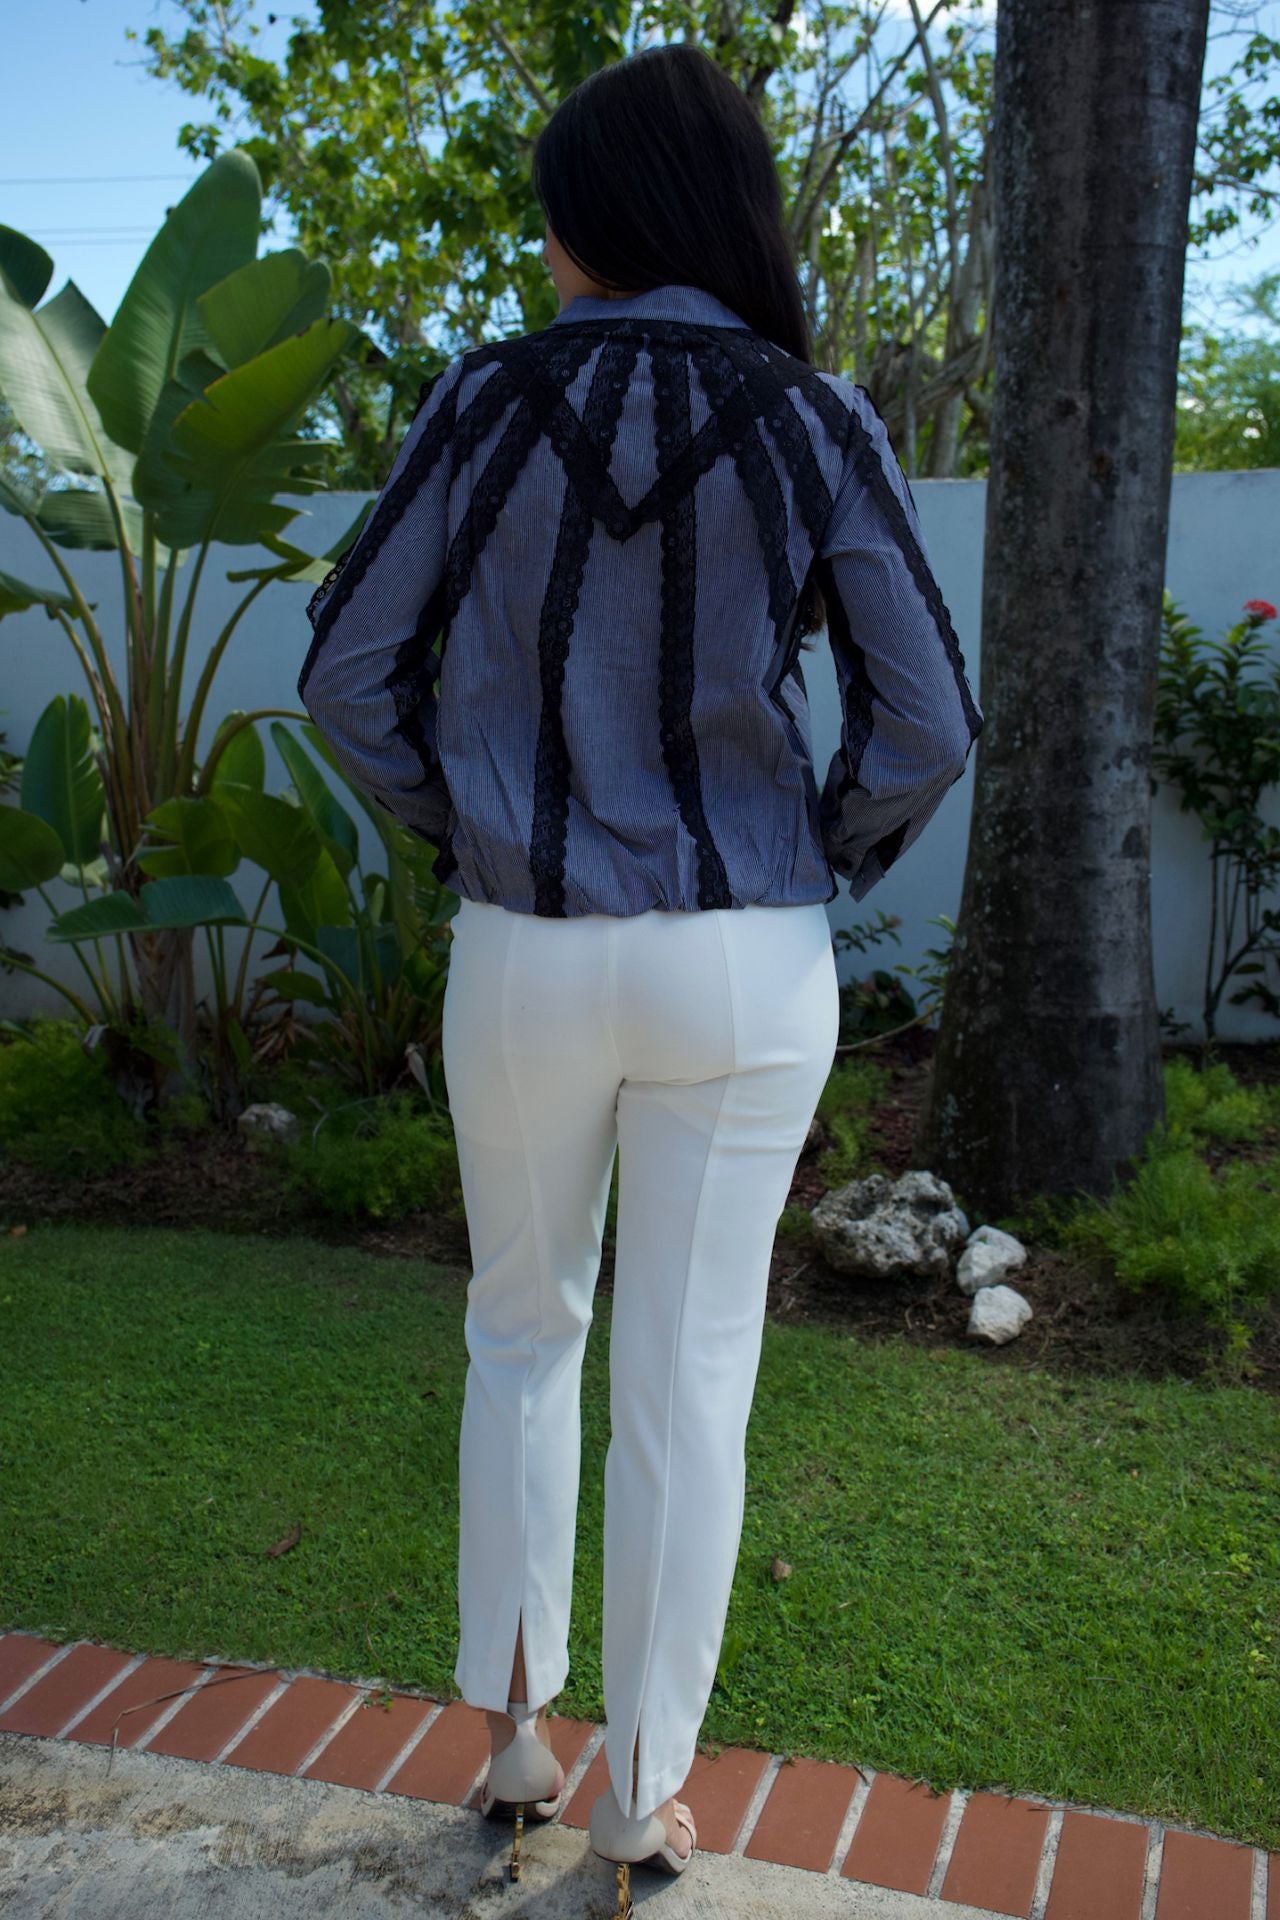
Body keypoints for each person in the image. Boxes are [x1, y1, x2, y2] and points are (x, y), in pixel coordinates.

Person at [297, 39, 983, 1913]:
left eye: (548, 214)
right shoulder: (815, 416)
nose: (536, 250)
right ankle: (640, 1798)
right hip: (743, 966)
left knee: (522, 1334)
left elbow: (346, 670)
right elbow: (926, 723)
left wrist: (470, 830)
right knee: (692, 1379)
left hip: (523, 955)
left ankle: (513, 1741)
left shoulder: (480, 405)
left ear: (603, 214)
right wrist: (803, 855)